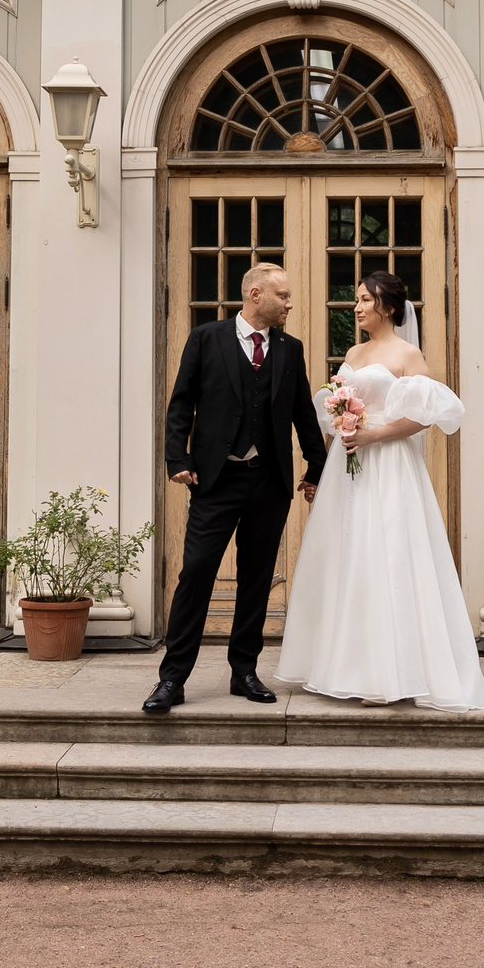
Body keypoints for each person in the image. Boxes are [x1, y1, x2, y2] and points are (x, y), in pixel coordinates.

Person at [273, 269, 484, 712]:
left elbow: (423, 416)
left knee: (386, 554)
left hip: (389, 465)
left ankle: (389, 673)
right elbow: (334, 411)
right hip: (347, 465)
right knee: (346, 556)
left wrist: (372, 436)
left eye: (363, 300)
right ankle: (344, 666)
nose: (356, 307)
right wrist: (324, 462)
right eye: (356, 300)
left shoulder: (407, 355)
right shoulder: (355, 351)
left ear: (388, 307)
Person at [150, 263, 324, 714]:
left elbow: (303, 411)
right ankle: (172, 678)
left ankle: (244, 671)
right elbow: (181, 403)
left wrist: (315, 467)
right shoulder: (206, 338)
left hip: (269, 482)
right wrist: (177, 459)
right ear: (254, 294)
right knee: (196, 574)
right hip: (216, 479)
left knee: (256, 579)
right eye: (282, 296)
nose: (289, 303)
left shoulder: (290, 349)